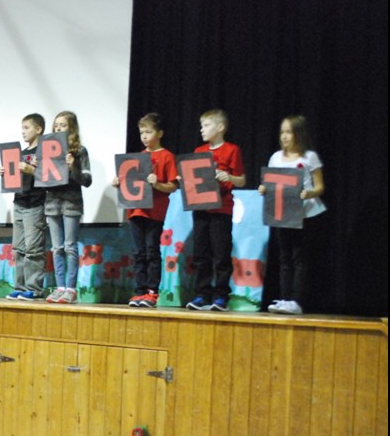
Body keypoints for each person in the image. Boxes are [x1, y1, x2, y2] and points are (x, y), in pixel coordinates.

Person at [258, 115, 326, 315]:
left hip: (305, 214)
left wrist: (310, 192)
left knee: (299, 257)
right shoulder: (276, 157)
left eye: (289, 132)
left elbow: (320, 186)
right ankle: (284, 298)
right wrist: (264, 189)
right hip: (282, 213)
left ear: (299, 134)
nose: (285, 136)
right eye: (282, 132)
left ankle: (296, 300)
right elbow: (270, 183)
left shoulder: (309, 157)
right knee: (284, 257)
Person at [111, 112, 177, 308]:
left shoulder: (167, 156)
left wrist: (157, 184)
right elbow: (130, 185)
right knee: (138, 252)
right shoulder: (138, 158)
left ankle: (152, 291)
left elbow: (172, 186)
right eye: (142, 132)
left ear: (160, 133)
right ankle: (139, 291)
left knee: (151, 250)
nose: (144, 136)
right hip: (135, 211)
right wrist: (119, 183)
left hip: (155, 212)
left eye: (148, 132)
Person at [185, 109, 246, 312]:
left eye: (206, 125)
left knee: (221, 254)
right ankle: (202, 294)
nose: (202, 129)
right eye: (201, 126)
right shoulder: (198, 151)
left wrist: (229, 177)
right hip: (201, 208)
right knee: (201, 254)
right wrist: (184, 180)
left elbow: (242, 179)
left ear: (220, 128)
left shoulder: (231, 150)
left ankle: (221, 296)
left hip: (221, 209)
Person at [45, 111, 93, 304]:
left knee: (70, 247)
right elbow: (44, 179)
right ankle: (60, 287)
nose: (58, 129)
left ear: (71, 128)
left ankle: (71, 289)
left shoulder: (79, 151)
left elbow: (87, 180)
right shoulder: (47, 151)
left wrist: (73, 167)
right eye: (56, 125)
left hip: (71, 203)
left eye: (63, 125)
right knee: (56, 248)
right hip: (52, 204)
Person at [2, 113, 47, 300]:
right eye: (22, 128)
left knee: (33, 249)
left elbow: (50, 177)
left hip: (35, 203)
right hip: (19, 201)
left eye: (27, 128)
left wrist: (32, 170)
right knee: (18, 248)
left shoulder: (45, 152)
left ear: (39, 129)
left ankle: (34, 288)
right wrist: (6, 173)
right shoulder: (20, 153)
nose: (23, 132)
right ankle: (19, 287)